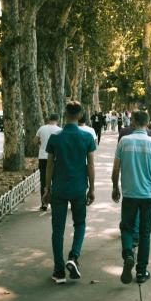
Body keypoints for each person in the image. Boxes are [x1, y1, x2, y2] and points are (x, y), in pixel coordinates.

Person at [43, 101, 96, 284]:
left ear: (65, 114)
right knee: (79, 224)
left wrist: (47, 188)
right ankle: (73, 257)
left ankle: (58, 271)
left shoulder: (56, 138)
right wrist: (92, 188)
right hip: (79, 188)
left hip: (59, 189)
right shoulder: (87, 137)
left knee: (57, 229)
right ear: (80, 115)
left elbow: (49, 164)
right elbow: (90, 165)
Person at [111, 109, 151, 285]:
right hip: (147, 195)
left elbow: (116, 168)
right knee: (145, 233)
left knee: (126, 228)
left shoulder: (124, 141)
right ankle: (141, 272)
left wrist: (115, 187)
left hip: (129, 194)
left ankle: (128, 253)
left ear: (132, 122)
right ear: (148, 123)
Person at [34, 113, 62, 211]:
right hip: (55, 158)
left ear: (48, 119)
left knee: (43, 180)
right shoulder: (60, 130)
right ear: (57, 120)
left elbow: (35, 141)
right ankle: (55, 203)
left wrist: (40, 144)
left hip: (43, 157)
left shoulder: (42, 128)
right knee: (55, 180)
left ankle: (44, 203)